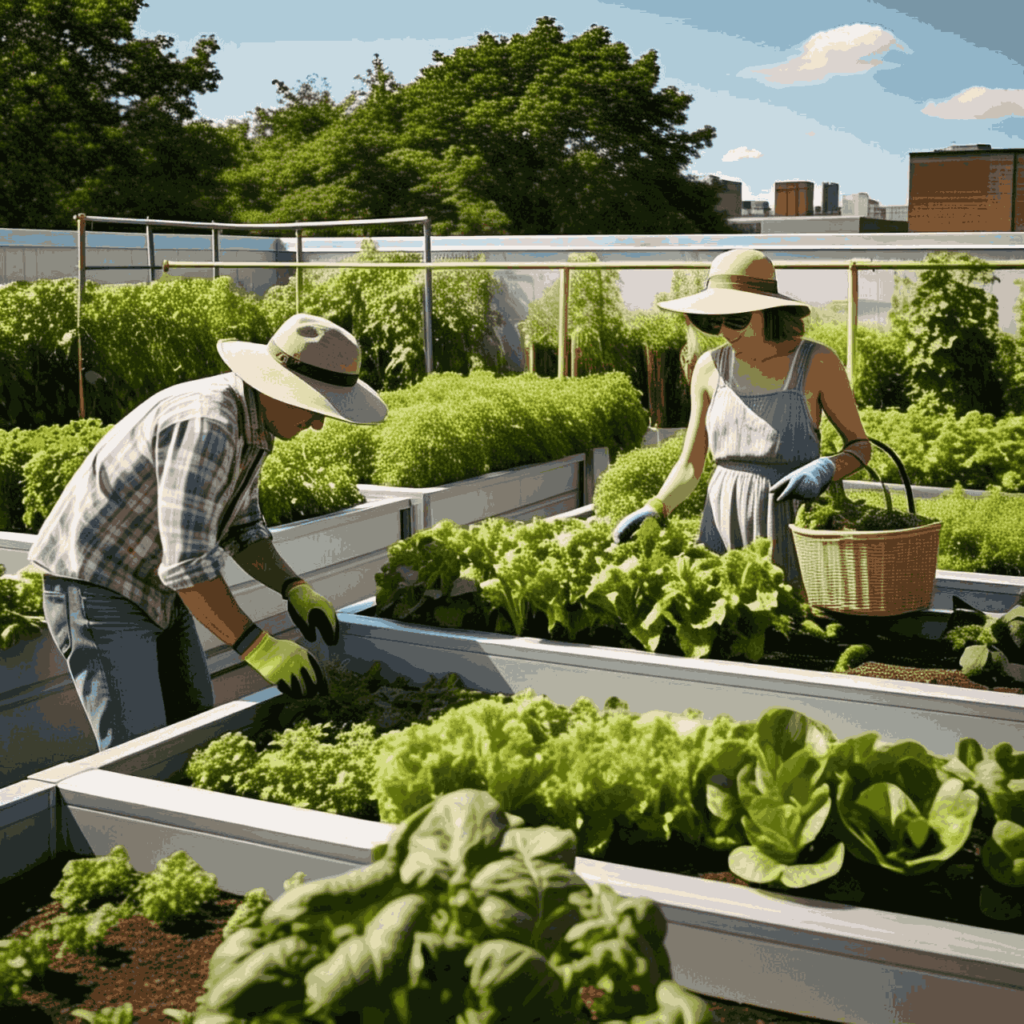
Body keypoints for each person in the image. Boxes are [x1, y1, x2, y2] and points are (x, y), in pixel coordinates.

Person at [29, 312, 387, 751]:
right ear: (279, 387)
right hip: (99, 586)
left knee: (194, 730)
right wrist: (259, 647)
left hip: (157, 584)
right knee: (140, 752)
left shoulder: (253, 425)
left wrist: (293, 587)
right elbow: (188, 565)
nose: (319, 423)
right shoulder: (209, 425)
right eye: (316, 407)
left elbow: (241, 528)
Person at [612, 249, 872, 599]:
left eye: (734, 318)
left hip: (791, 520)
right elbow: (691, 465)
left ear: (768, 311)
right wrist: (656, 507)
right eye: (711, 321)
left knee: (791, 623)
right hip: (722, 518)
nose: (722, 331)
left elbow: (860, 447)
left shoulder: (817, 362)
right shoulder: (708, 367)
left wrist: (827, 468)